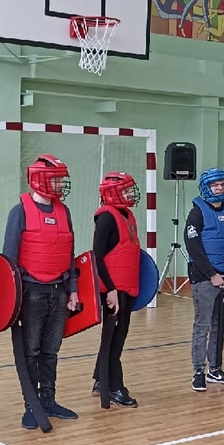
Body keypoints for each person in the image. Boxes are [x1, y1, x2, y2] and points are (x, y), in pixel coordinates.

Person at [2, 155, 80, 430]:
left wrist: (73, 290)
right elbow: (9, 258)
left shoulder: (64, 211)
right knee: (31, 351)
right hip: (31, 291)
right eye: (55, 179)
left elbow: (69, 253)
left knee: (51, 350)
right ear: (40, 180)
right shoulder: (19, 212)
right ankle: (31, 406)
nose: (60, 184)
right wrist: (12, 300)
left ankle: (48, 401)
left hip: (59, 291)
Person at [184, 168, 224, 391]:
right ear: (206, 188)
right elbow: (194, 247)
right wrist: (212, 274)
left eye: (222, 184)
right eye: (215, 185)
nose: (219, 188)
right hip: (205, 278)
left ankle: (215, 370)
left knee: (220, 326)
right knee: (203, 325)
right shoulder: (197, 213)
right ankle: (198, 372)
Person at [91, 172, 143, 407]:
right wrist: (110, 289)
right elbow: (97, 257)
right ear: (112, 193)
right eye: (126, 190)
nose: (131, 194)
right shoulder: (106, 218)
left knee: (117, 337)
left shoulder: (127, 215)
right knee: (114, 340)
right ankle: (114, 387)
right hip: (113, 290)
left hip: (126, 288)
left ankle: (100, 380)